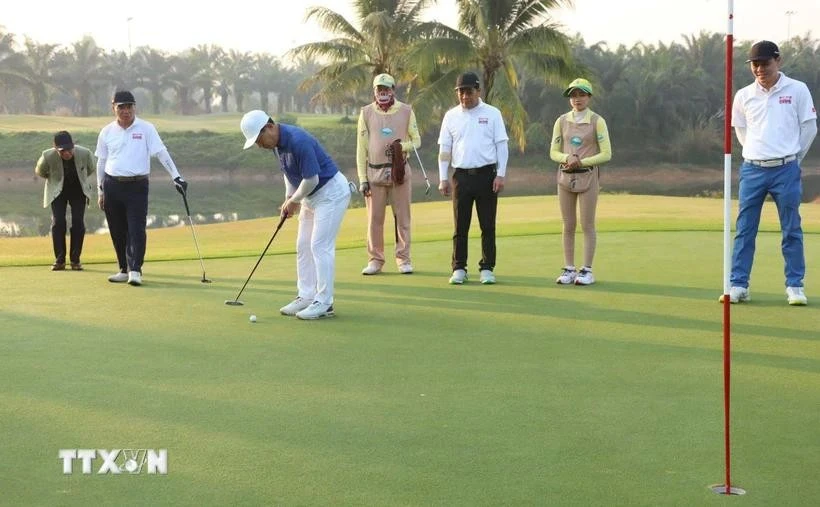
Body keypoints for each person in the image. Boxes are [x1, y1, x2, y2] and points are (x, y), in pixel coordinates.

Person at [723, 41, 817, 306]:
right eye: (755, 64)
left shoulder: (797, 89)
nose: (759, 69)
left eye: (764, 63)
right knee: (745, 230)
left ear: (778, 61)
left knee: (791, 229)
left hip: (786, 168)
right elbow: (740, 130)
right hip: (753, 169)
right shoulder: (743, 95)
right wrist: (756, 151)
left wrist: (794, 157)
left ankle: (795, 286)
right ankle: (739, 284)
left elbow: (809, 128)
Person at [240, 110, 351, 320]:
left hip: (331, 193)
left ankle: (325, 303)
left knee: (320, 245)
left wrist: (294, 201)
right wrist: (288, 198)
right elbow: (289, 172)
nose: (258, 145)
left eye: (258, 139)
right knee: (302, 245)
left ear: (270, 127)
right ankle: (306, 296)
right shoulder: (277, 145)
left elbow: (312, 179)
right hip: (309, 195)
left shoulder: (298, 140)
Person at [95, 90, 188, 286]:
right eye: (121, 107)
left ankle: (135, 269)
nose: (126, 110)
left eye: (129, 106)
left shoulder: (146, 128)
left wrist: (176, 176)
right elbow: (101, 162)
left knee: (136, 229)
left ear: (134, 107)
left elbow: (161, 153)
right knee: (117, 230)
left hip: (137, 185)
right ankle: (123, 268)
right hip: (111, 185)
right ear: (113, 108)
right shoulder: (106, 131)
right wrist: (100, 190)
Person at [437, 71, 509, 285]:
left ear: (478, 91)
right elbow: (445, 149)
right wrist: (443, 178)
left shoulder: (492, 113)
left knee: (487, 225)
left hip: (487, 175)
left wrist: (501, 174)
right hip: (461, 176)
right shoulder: (451, 116)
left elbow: (501, 145)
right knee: (460, 225)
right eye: (460, 92)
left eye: (468, 92)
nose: (464, 96)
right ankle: (459, 267)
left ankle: (487, 267)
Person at [549, 78, 613, 286]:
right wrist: (567, 158)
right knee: (568, 224)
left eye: (582, 95)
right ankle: (569, 268)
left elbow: (606, 154)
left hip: (588, 176)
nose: (577, 99)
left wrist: (581, 161)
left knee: (587, 224)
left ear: (589, 97)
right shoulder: (561, 121)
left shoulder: (597, 121)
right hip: (565, 176)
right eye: (574, 95)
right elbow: (553, 152)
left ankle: (586, 270)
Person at [356, 73, 422, 275]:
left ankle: (403, 259)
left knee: (403, 218)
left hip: (399, 172)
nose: (383, 93)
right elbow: (361, 148)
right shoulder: (366, 112)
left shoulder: (406, 111)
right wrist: (362, 179)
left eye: (387, 89)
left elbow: (417, 141)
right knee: (374, 220)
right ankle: (375, 260)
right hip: (374, 173)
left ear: (393, 90)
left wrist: (402, 146)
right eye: (379, 89)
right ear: (374, 91)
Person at [34, 131, 96, 271]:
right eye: (62, 151)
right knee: (58, 222)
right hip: (58, 191)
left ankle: (75, 260)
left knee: (78, 222)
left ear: (73, 145)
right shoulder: (47, 155)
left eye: (69, 149)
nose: (67, 153)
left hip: (78, 190)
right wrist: (54, 180)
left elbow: (91, 168)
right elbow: (40, 171)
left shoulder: (85, 153)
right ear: (56, 149)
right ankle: (60, 260)